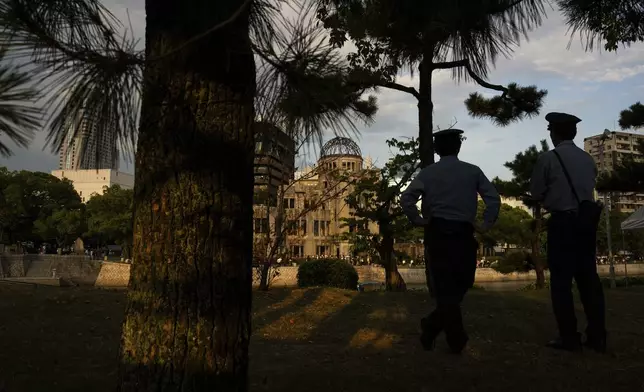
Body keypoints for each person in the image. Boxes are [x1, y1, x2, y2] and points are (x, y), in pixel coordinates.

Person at [400, 129, 501, 354]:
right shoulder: (472, 172)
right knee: (462, 283)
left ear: (437, 149)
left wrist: (418, 219)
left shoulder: (427, 173)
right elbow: (493, 198)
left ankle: (432, 325)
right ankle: (456, 340)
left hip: (437, 233)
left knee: (447, 287)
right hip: (464, 233)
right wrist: (484, 224)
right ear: (459, 147)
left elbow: (406, 198)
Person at [530, 112, 607, 353]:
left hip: (562, 223)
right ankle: (597, 336)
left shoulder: (549, 159)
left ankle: (569, 336)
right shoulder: (587, 160)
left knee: (562, 283)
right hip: (585, 224)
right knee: (589, 281)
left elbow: (536, 192)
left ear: (554, 133)